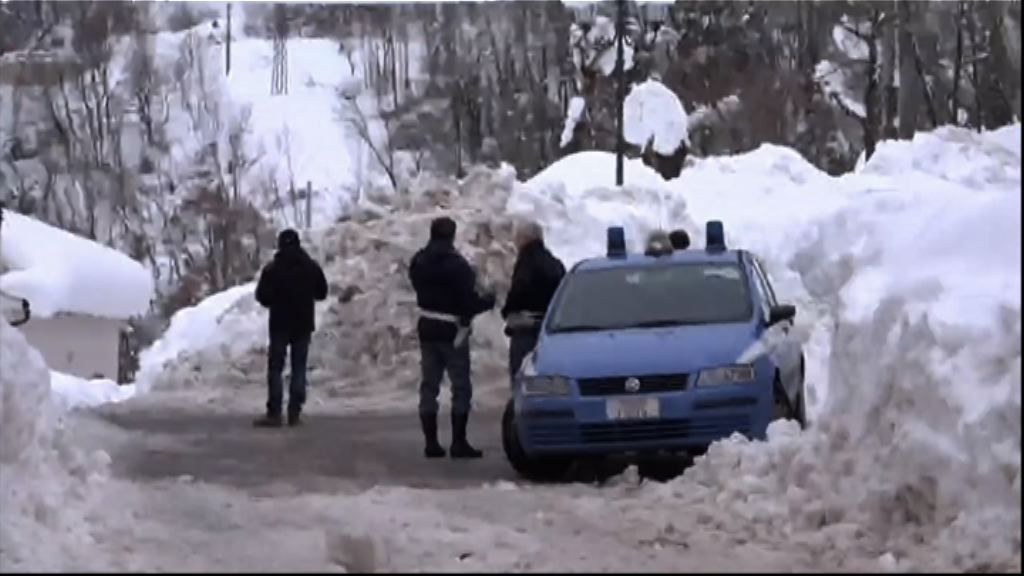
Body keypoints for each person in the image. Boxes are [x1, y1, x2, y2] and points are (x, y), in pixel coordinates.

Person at [408, 216, 496, 459]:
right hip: (452, 331)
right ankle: (458, 442)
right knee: (461, 386)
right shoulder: (458, 266)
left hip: (427, 326)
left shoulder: (419, 261)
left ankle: (431, 443)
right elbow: (467, 303)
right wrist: (487, 302)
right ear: (452, 235)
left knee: (429, 385)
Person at [253, 229, 328, 428]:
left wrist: (276, 300)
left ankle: (275, 413)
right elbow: (322, 293)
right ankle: (295, 412)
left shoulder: (272, 269)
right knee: (299, 367)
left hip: (279, 324)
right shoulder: (310, 267)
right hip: (303, 324)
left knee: (276, 368)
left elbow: (262, 296)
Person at [501, 221, 565, 383]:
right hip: (550, 326)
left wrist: (508, 310)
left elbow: (519, 289)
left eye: (517, 238)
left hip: (526, 327)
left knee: (521, 374)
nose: (516, 243)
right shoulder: (555, 263)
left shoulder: (526, 261)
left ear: (524, 239)